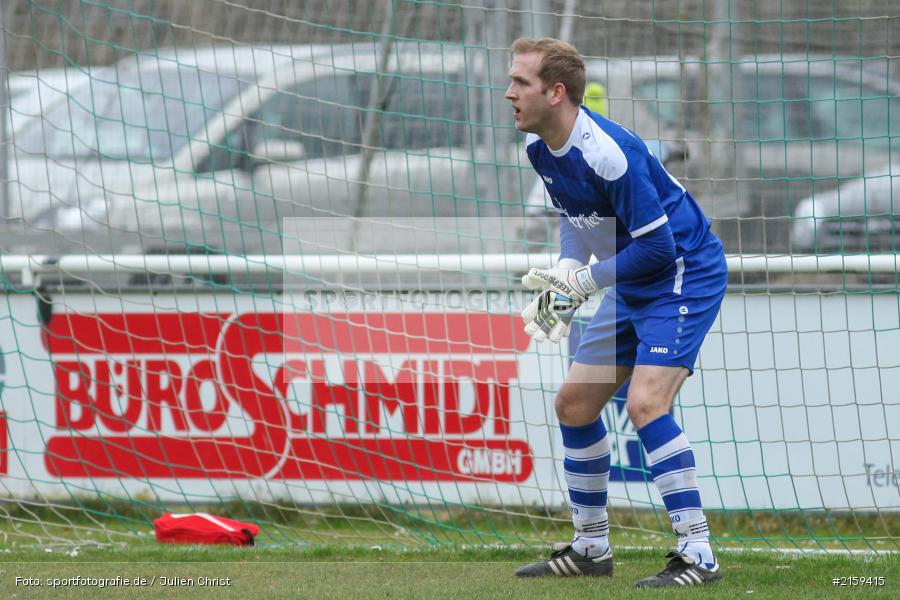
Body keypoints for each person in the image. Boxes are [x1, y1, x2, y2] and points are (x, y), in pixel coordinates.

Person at [505, 37, 727, 588]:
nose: (508, 92)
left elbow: (659, 249)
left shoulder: (608, 153)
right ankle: (591, 549)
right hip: (632, 278)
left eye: (520, 82)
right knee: (574, 405)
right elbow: (576, 217)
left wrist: (585, 282)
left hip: (682, 274)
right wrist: (566, 273)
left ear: (555, 93)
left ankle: (698, 554)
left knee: (646, 404)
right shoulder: (538, 146)